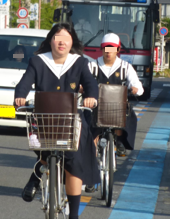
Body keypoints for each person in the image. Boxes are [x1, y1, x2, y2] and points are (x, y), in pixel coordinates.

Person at [14, 23, 99, 219]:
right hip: (45, 117)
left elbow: (90, 84)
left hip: (72, 119)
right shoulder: (37, 61)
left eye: (66, 38)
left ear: (72, 43)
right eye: (57, 37)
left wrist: (91, 97)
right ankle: (35, 177)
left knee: (75, 162)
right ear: (51, 40)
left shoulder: (79, 62)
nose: (62, 42)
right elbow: (25, 82)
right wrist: (20, 95)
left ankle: (74, 215)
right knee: (43, 146)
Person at [83, 33, 143, 192]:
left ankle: (119, 139)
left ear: (118, 49)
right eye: (105, 48)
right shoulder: (92, 66)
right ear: (101, 49)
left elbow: (137, 84)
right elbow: (83, 83)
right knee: (90, 135)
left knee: (128, 115)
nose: (108, 51)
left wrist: (135, 89)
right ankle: (91, 168)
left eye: (112, 48)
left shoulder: (125, 67)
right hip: (97, 108)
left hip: (117, 108)